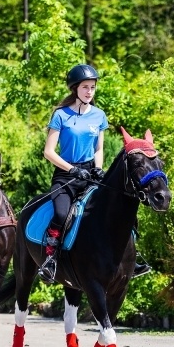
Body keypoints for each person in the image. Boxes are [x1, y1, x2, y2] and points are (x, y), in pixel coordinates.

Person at [37, 64, 111, 283]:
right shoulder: (61, 115)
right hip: (65, 175)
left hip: (89, 173)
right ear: (75, 89)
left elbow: (99, 148)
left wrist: (98, 169)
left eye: (93, 87)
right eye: (86, 87)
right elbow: (48, 152)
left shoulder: (99, 115)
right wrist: (72, 169)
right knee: (61, 215)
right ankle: (50, 260)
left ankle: (131, 257)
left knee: (115, 206)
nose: (90, 91)